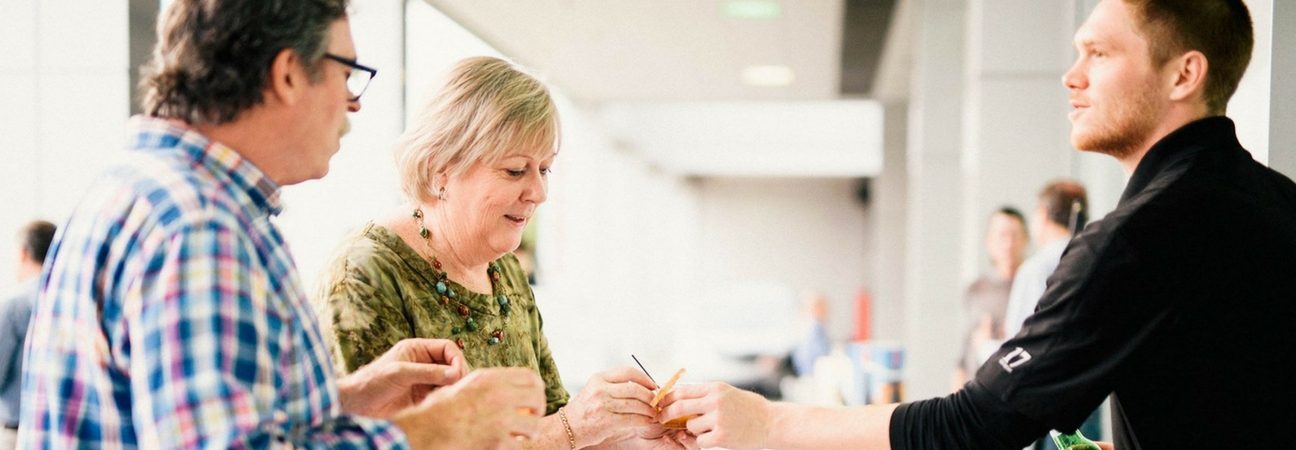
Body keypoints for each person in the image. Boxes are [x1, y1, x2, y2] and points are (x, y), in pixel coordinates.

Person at [657, 0, 1296, 448]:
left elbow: (976, 425)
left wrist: (766, 424)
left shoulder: (1140, 236)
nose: (1071, 78)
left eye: (1098, 54)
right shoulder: (1275, 201)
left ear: (1185, 72)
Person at [18, 1, 545, 448]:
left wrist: (351, 395)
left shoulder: (147, 188)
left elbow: (203, 417)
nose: (354, 102)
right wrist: (435, 430)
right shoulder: (201, 229)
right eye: (346, 73)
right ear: (288, 73)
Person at [313, 56, 682, 450]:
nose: (539, 193)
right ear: (441, 168)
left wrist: (638, 439)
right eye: (515, 171)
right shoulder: (365, 273)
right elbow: (382, 444)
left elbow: (550, 420)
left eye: (544, 169)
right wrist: (573, 426)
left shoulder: (503, 270)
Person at [1001, 180, 1098, 450]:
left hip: (1045, 405)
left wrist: (983, 344)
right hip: (1091, 397)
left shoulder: (1036, 269)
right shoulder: (1096, 258)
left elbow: (1021, 344)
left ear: (1042, 214)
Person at [951, 207, 1028, 391]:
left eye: (1015, 235)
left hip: (1010, 393)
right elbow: (964, 354)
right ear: (988, 241)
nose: (1008, 244)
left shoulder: (1033, 287)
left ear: (1025, 240)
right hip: (974, 393)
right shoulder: (976, 289)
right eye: (1002, 235)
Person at [0, 221, 55, 449]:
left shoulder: (15, 305)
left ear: (23, 254)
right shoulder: (68, 298)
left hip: (18, 432)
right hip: (62, 432)